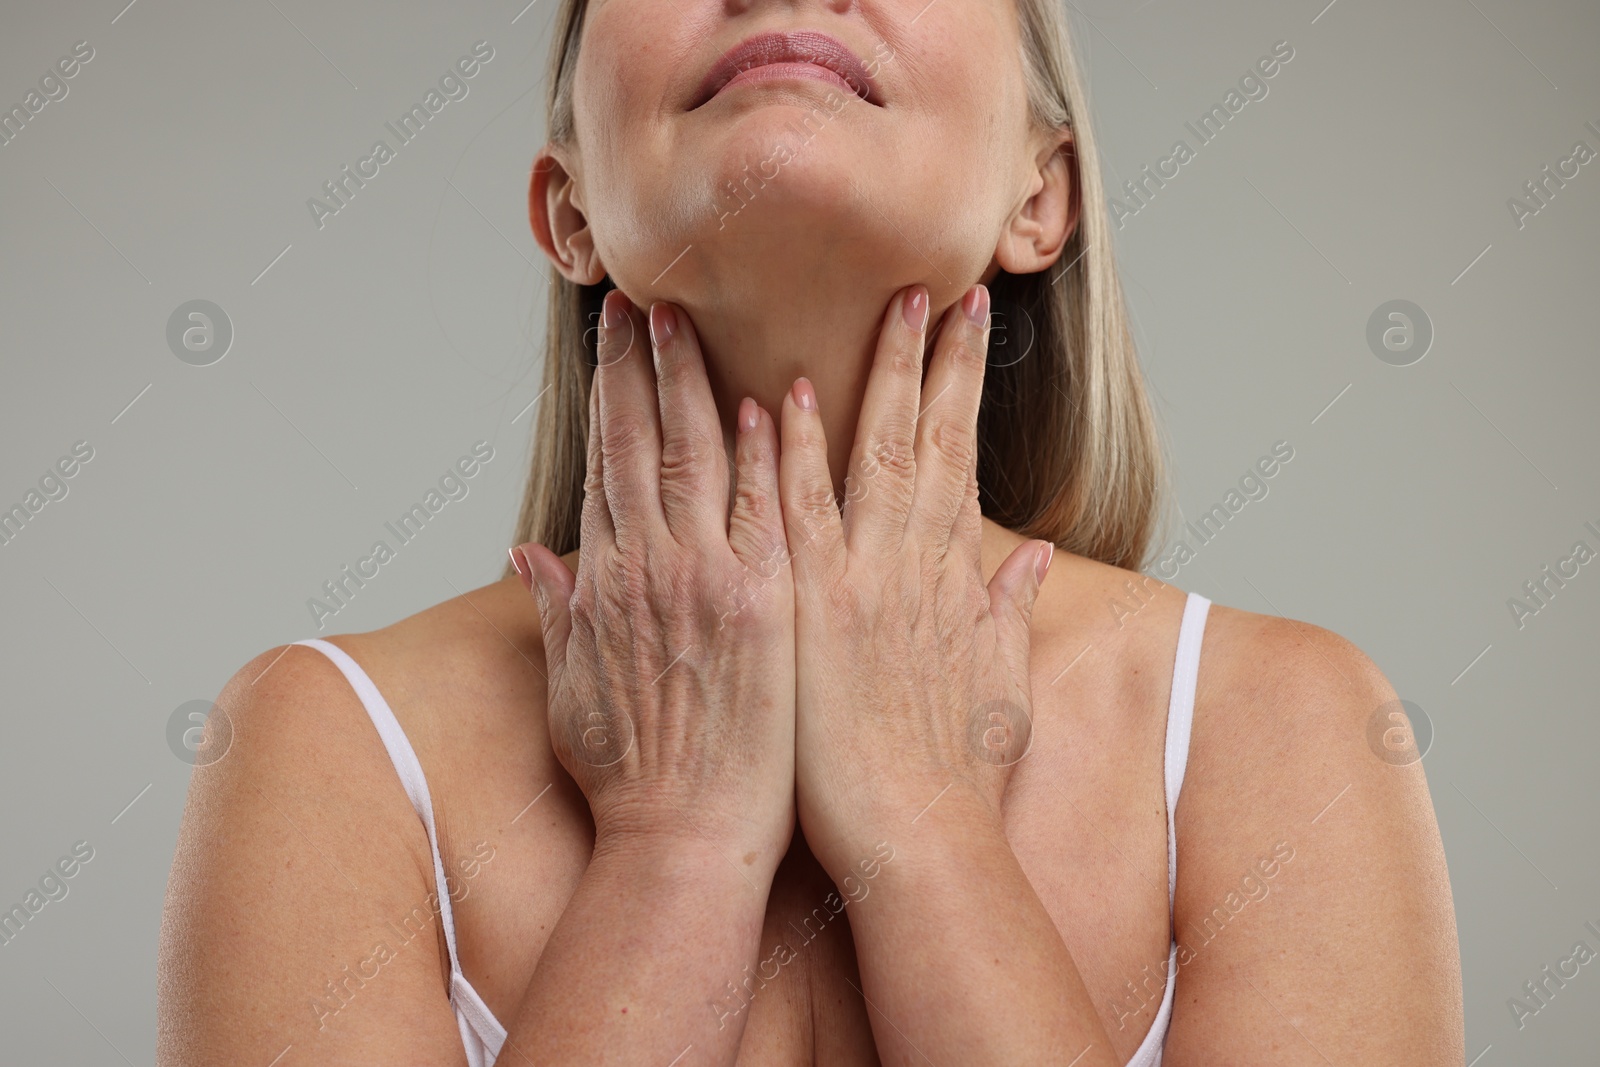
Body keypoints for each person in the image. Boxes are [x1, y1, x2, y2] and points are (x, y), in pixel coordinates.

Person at [157, 1, 1464, 1063]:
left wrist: (925, 813)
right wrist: (675, 839)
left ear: (1042, 198)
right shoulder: (321, 746)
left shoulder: (1286, 730)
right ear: (569, 213)